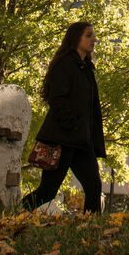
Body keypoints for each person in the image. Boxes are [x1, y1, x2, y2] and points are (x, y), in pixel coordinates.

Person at [20, 21, 105, 214]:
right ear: (76, 38)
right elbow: (57, 99)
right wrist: (73, 125)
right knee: (48, 191)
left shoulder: (86, 68)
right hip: (62, 139)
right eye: (88, 35)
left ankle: (91, 230)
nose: (93, 39)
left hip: (82, 141)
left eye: (93, 35)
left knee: (94, 187)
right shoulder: (65, 63)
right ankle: (13, 215)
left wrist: (88, 134)